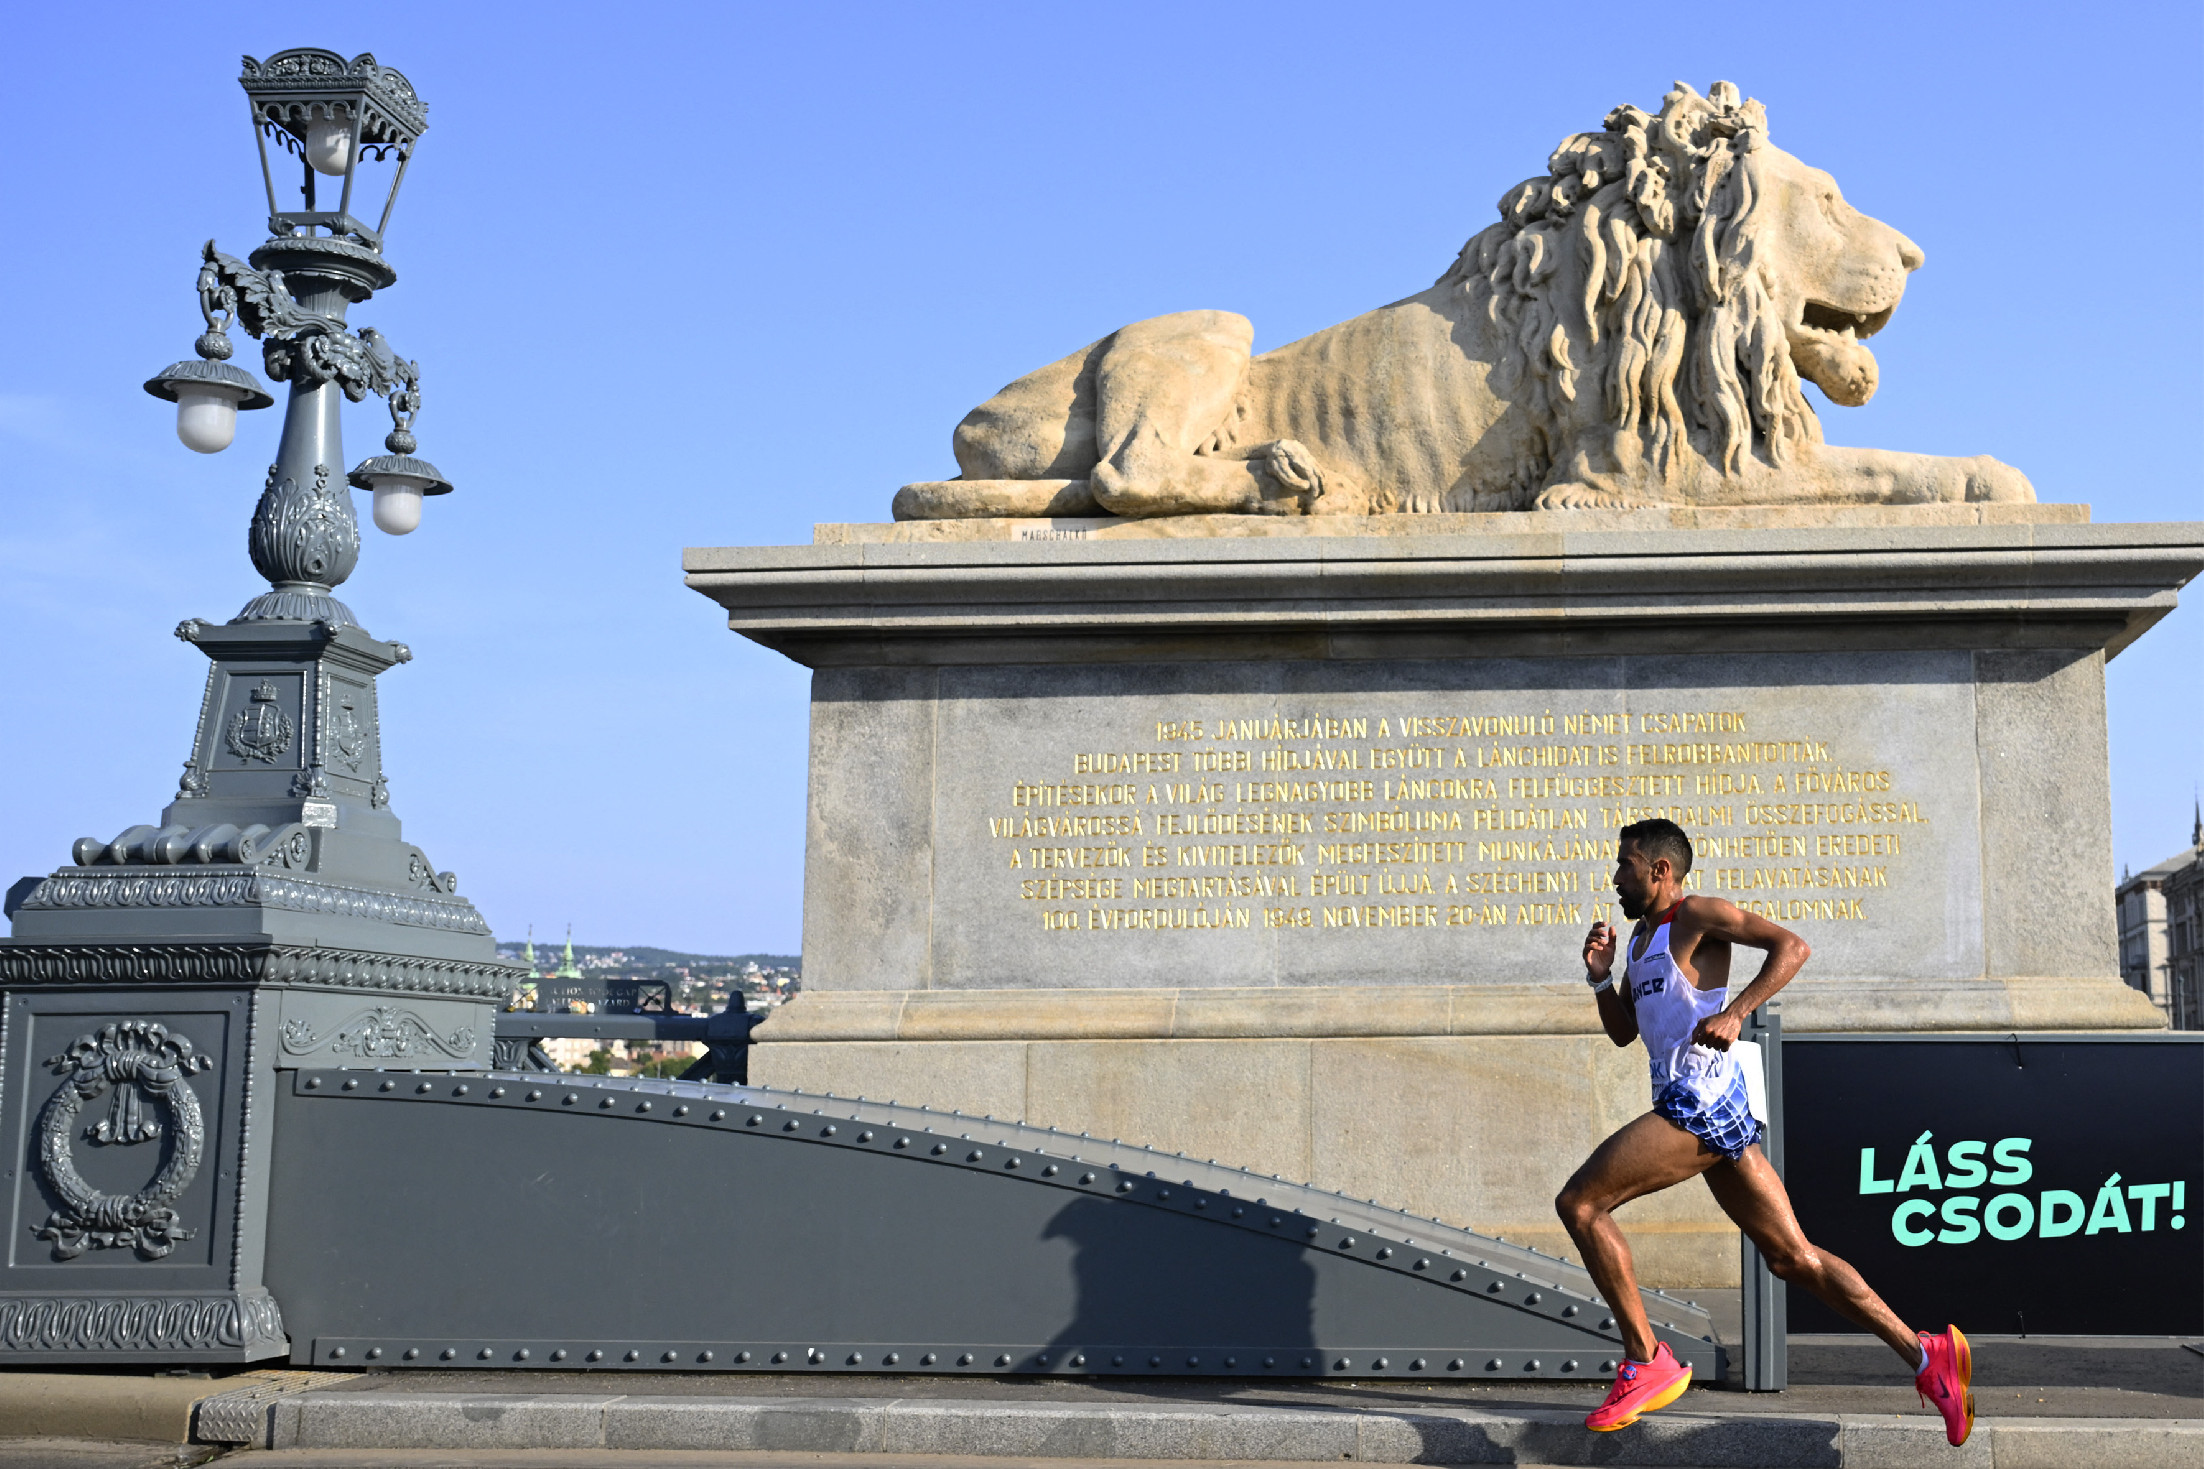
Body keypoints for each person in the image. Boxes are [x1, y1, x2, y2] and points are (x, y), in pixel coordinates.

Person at [1556, 817, 1973, 1445]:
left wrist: (1735, 1012)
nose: (1616, 879)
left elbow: (1792, 946)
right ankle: (1927, 1354)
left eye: (1625, 865)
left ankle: (1647, 1358)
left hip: (1701, 1099)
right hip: (1695, 1103)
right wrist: (1597, 976)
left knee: (1582, 1203)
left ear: (1659, 870)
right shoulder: (1639, 942)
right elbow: (1624, 1034)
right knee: (1792, 1256)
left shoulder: (1696, 914)